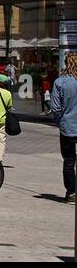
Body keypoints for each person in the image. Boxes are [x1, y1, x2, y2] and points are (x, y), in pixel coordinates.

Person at [50, 51, 77, 202]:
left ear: (66, 64)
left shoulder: (60, 82)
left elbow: (55, 108)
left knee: (69, 161)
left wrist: (61, 121)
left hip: (68, 127)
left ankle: (71, 192)